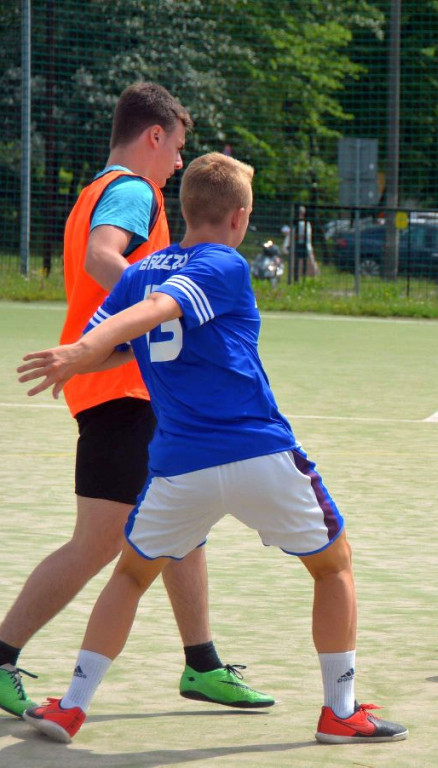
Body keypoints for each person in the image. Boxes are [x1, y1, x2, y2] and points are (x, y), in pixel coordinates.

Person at [16, 152, 407, 745]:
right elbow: (159, 312)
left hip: (178, 468)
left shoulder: (138, 271)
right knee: (333, 566)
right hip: (257, 453)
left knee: (129, 576)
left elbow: (123, 338)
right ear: (240, 217)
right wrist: (79, 353)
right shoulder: (224, 263)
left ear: (183, 207)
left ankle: (72, 706)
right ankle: (341, 710)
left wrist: (78, 353)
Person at [0, 82, 271, 719]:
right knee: (98, 543)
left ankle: (201, 663)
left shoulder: (96, 191)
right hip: (120, 390)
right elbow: (104, 258)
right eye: (177, 146)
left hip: (133, 387)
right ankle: (0, 653)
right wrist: (168, 307)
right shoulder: (133, 190)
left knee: (185, 521)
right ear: (154, 136)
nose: (180, 161)